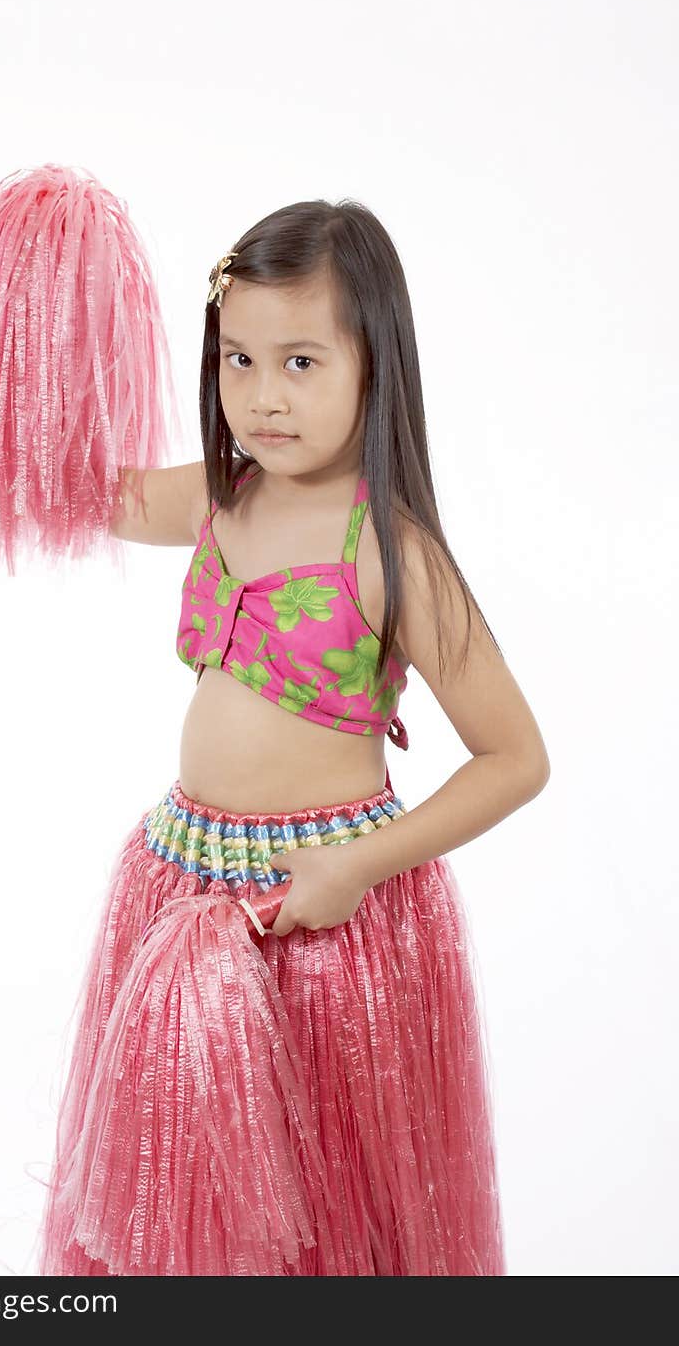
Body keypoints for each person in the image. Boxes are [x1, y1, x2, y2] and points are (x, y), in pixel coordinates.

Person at [35, 198, 550, 1277]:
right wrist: (58, 320)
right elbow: (86, 489)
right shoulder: (222, 497)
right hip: (181, 885)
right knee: (187, 1211)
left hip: (322, 914)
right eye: (237, 359)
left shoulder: (391, 550)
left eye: (302, 361)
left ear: (377, 365)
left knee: (317, 1211)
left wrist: (358, 863)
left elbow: (515, 757)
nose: (261, 397)